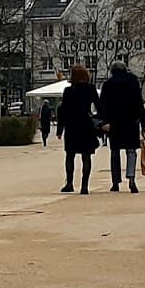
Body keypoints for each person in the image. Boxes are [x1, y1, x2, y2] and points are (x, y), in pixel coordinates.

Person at [100, 60, 145, 194]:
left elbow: (103, 105)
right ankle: (131, 179)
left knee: (115, 152)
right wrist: (144, 123)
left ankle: (115, 182)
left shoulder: (108, 85)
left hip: (114, 123)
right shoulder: (133, 82)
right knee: (131, 151)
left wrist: (104, 122)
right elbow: (139, 103)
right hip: (131, 122)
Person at [55, 64, 102, 194]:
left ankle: (69, 183)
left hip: (71, 126)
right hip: (86, 125)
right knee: (86, 156)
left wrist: (60, 129)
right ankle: (84, 186)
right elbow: (99, 107)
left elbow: (63, 111)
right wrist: (99, 121)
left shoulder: (68, 91)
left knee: (70, 155)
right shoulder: (91, 89)